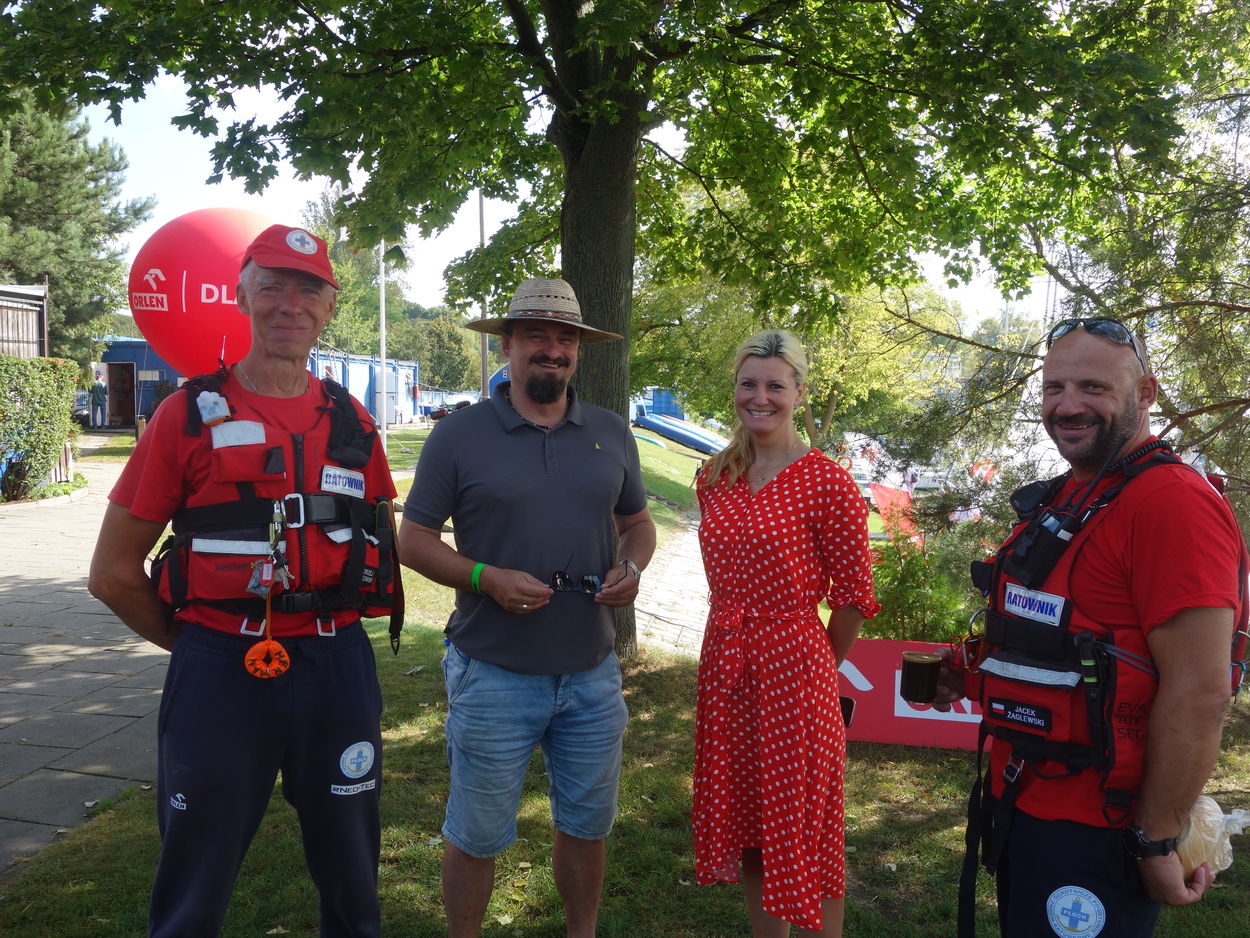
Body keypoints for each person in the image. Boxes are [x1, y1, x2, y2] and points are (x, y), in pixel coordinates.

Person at [88, 224, 403, 938]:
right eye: (273, 285)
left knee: (354, 886)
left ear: (330, 307)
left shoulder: (354, 421)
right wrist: (200, 645)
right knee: (192, 891)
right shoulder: (184, 416)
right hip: (220, 671)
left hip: (337, 666)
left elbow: (375, 537)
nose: (291, 304)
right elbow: (111, 575)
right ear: (241, 295)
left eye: (309, 290)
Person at [936, 317, 1248, 938]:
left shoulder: (1171, 504)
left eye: (1093, 388)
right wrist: (968, 672)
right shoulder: (1072, 495)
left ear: (1146, 393)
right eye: (1054, 387)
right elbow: (1057, 633)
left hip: (1099, 829)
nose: (1068, 405)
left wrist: (1155, 840)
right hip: (1024, 800)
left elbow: (1200, 691)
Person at [397, 276, 656, 938]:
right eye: (536, 335)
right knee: (476, 834)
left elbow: (638, 523)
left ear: (578, 351)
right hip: (492, 673)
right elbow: (412, 540)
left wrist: (631, 566)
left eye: (565, 338)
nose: (552, 349)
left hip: (592, 675)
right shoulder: (459, 435)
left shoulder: (610, 432)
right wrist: (485, 578)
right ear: (507, 344)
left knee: (588, 826)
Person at [693, 329, 879, 938]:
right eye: (748, 384)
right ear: (735, 390)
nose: (760, 397)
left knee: (806, 828)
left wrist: (815, 664)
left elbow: (853, 598)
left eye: (775, 385)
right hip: (726, 665)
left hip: (795, 672)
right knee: (752, 824)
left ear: (799, 392)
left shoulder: (828, 483)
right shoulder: (714, 476)